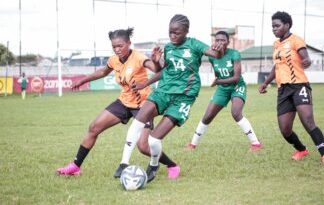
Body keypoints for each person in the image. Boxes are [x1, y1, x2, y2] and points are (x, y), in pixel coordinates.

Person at [57, 28, 180, 176]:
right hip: (124, 102)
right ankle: (75, 166)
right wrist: (82, 80)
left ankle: (172, 166)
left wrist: (156, 61)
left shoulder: (139, 58)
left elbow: (157, 70)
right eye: (114, 46)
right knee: (94, 128)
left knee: (143, 146)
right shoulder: (113, 60)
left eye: (120, 46)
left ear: (129, 43)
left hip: (143, 106)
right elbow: (102, 72)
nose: (117, 49)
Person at [117, 14, 224, 183]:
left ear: (186, 32)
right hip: (163, 92)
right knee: (139, 119)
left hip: (184, 97)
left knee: (153, 141)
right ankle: (123, 163)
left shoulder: (194, 44)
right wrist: (154, 67)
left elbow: (216, 55)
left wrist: (219, 49)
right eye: (170, 32)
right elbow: (163, 71)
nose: (173, 36)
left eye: (177, 33)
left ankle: (154, 165)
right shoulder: (168, 48)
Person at [259, 11, 324, 167]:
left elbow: (305, 57)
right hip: (283, 90)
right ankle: (302, 149)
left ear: (287, 25)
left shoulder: (296, 40)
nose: (274, 29)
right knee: (285, 129)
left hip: (299, 85)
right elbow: (277, 66)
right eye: (272, 26)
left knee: (308, 122)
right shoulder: (276, 44)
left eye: (277, 26)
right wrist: (266, 82)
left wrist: (307, 61)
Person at [186, 31, 263, 151]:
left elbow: (236, 77)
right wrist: (219, 82)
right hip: (222, 89)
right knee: (207, 116)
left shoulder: (235, 54)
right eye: (217, 40)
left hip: (237, 86)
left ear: (228, 42)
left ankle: (256, 143)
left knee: (236, 113)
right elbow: (217, 74)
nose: (219, 42)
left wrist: (218, 82)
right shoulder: (212, 57)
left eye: (222, 40)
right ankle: (192, 144)